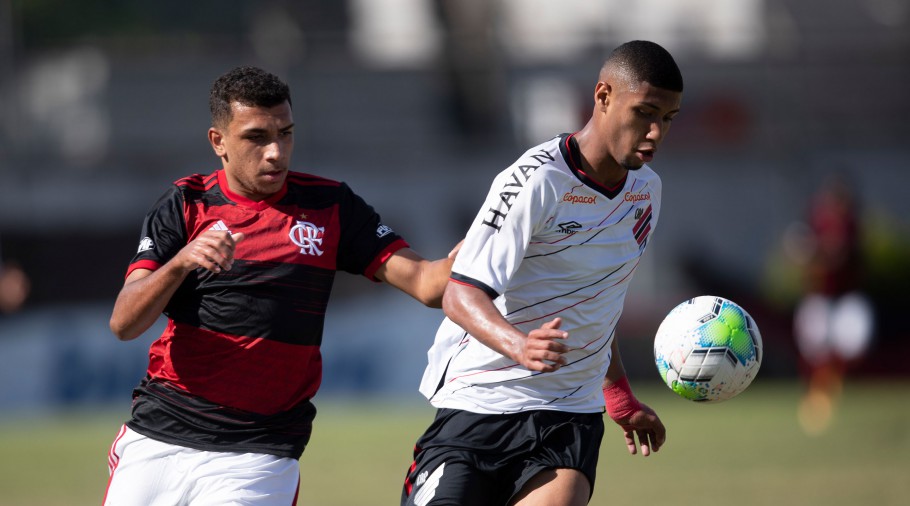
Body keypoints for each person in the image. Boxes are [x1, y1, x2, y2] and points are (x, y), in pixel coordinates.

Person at [103, 66, 457, 505]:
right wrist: (180, 261)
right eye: (256, 137)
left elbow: (427, 283)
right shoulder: (186, 203)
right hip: (159, 435)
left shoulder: (330, 206)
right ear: (219, 142)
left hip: (258, 453)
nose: (275, 152)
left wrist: (483, 249)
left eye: (285, 133)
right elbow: (124, 322)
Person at [401, 40, 683, 506]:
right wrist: (520, 345)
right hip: (480, 404)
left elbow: (596, 305)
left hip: (568, 415)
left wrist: (619, 396)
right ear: (604, 96)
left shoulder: (646, 192)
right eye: (645, 113)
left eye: (668, 119)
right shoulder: (537, 179)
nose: (655, 132)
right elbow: (459, 295)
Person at [792, 174, 874, 435]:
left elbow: (840, 255)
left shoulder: (850, 223)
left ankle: (827, 391)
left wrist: (817, 254)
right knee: (816, 348)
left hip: (846, 297)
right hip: (820, 296)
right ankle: (818, 396)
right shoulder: (818, 219)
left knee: (850, 346)